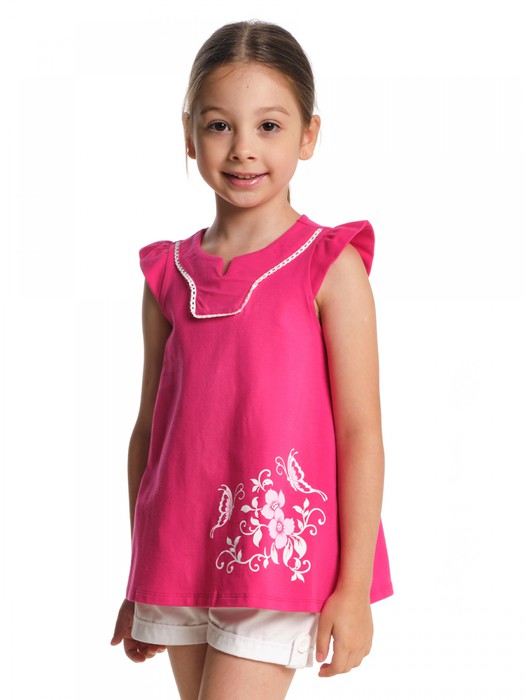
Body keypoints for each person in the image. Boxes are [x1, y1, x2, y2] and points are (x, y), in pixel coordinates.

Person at [110, 19, 393, 700]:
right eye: (218, 126)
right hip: (178, 552)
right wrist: (142, 575)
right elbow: (150, 431)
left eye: (268, 126)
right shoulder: (168, 275)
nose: (242, 149)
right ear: (188, 134)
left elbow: (360, 433)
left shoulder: (329, 267)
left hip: (276, 555)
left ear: (308, 136)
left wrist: (353, 588)